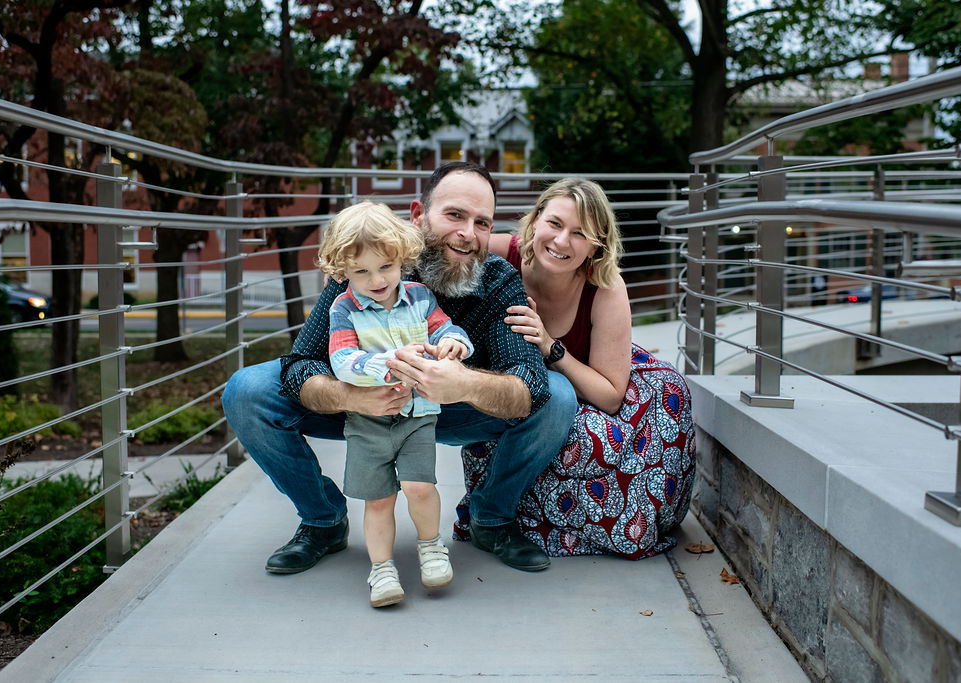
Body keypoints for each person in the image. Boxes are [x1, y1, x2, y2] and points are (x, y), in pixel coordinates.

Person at [221, 162, 577, 580]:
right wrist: (354, 396)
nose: (468, 233)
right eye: (455, 215)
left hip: (456, 409)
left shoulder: (500, 281)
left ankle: (491, 518)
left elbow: (531, 385)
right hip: (365, 404)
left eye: (482, 223)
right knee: (247, 390)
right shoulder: (370, 262)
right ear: (417, 215)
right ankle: (323, 520)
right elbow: (301, 364)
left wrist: (465, 383)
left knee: (558, 397)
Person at [453, 177, 696, 559]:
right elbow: (431, 246)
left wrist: (549, 344)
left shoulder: (605, 287)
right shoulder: (499, 252)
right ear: (535, 220)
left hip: (590, 378)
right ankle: (506, 512)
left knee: (578, 419)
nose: (562, 241)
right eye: (554, 223)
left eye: (580, 233)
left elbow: (610, 396)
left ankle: (608, 523)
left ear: (596, 246)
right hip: (521, 384)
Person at [318, 201, 473, 607]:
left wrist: (453, 342)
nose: (376, 280)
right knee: (379, 499)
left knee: (420, 486)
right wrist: (389, 365)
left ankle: (431, 547)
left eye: (385, 267)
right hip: (368, 422)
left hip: (417, 417)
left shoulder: (419, 297)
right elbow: (342, 360)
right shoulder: (344, 308)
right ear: (343, 270)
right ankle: (382, 569)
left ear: (401, 259)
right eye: (361, 272)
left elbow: (444, 328)